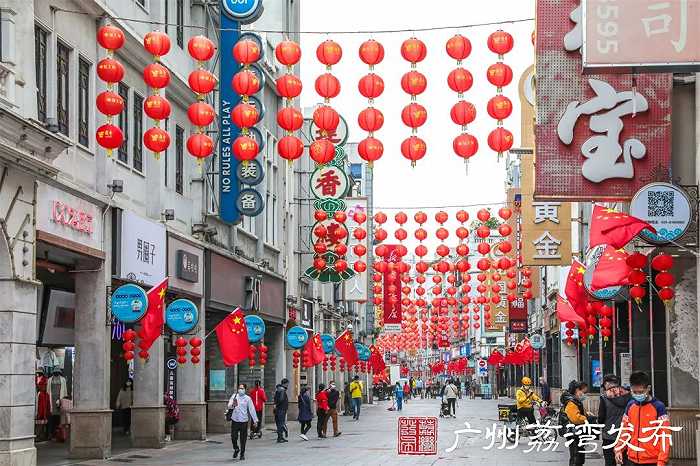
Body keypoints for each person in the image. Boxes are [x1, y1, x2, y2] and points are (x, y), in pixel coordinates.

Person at [615, 371, 671, 466]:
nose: (637, 395)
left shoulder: (658, 407)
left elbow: (664, 436)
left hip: (652, 461)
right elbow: (625, 430)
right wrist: (618, 449)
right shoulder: (630, 405)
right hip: (631, 459)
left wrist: (661, 461)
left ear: (648, 388)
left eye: (640, 392)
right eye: (634, 392)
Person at [597, 374, 631, 466]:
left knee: (610, 462)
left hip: (609, 437)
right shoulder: (629, 395)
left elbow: (601, 419)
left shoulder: (604, 398)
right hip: (626, 436)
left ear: (607, 384)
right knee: (626, 462)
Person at [561, 380, 592, 466]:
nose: (584, 394)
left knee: (578, 456)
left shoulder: (574, 400)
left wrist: (586, 414)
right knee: (576, 456)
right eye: (583, 392)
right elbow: (575, 418)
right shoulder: (571, 402)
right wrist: (587, 418)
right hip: (574, 433)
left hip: (576, 432)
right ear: (577, 390)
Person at [227, 383, 258, 461]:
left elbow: (252, 409)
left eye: (242, 388)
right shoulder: (234, 396)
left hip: (244, 421)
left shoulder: (247, 398)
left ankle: (242, 454)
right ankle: (236, 448)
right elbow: (229, 405)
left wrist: (255, 420)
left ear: (245, 389)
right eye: (239, 388)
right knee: (233, 437)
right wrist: (232, 404)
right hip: (235, 420)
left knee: (243, 439)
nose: (240, 390)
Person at [273, 378, 289, 443]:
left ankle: (281, 437)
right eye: (287, 384)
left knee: (279, 423)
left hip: (278, 409)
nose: (288, 385)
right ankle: (280, 438)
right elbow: (281, 400)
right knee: (280, 423)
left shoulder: (278, 390)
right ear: (285, 384)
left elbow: (276, 400)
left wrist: (275, 405)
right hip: (281, 409)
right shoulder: (282, 390)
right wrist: (278, 405)